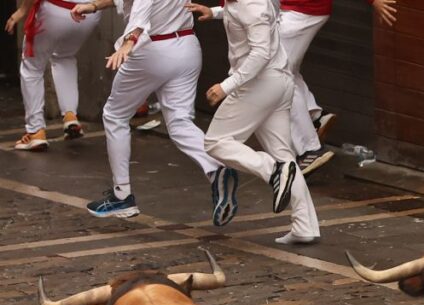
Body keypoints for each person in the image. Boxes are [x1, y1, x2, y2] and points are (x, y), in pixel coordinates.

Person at [71, 0, 236, 221]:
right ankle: (216, 169)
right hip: (187, 45)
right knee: (180, 122)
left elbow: (141, 10)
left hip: (152, 49)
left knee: (115, 115)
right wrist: (93, 6)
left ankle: (122, 196)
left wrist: (128, 43)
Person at [190, 0, 321, 244]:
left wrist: (226, 86)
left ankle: (273, 171)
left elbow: (261, 52)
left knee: (216, 142)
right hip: (277, 82)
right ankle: (305, 226)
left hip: (259, 84)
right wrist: (215, 12)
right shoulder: (242, 3)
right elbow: (245, 16)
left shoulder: (251, 5)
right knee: (285, 155)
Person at [274, 0, 398, 175]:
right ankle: (314, 116)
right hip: (296, 9)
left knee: (277, 77)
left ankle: (310, 149)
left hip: (301, 11)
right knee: (285, 71)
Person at [6, 0, 100, 151]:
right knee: (65, 56)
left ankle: (35, 131)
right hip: (90, 13)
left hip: (57, 9)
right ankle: (70, 116)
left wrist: (22, 11)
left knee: (32, 67)